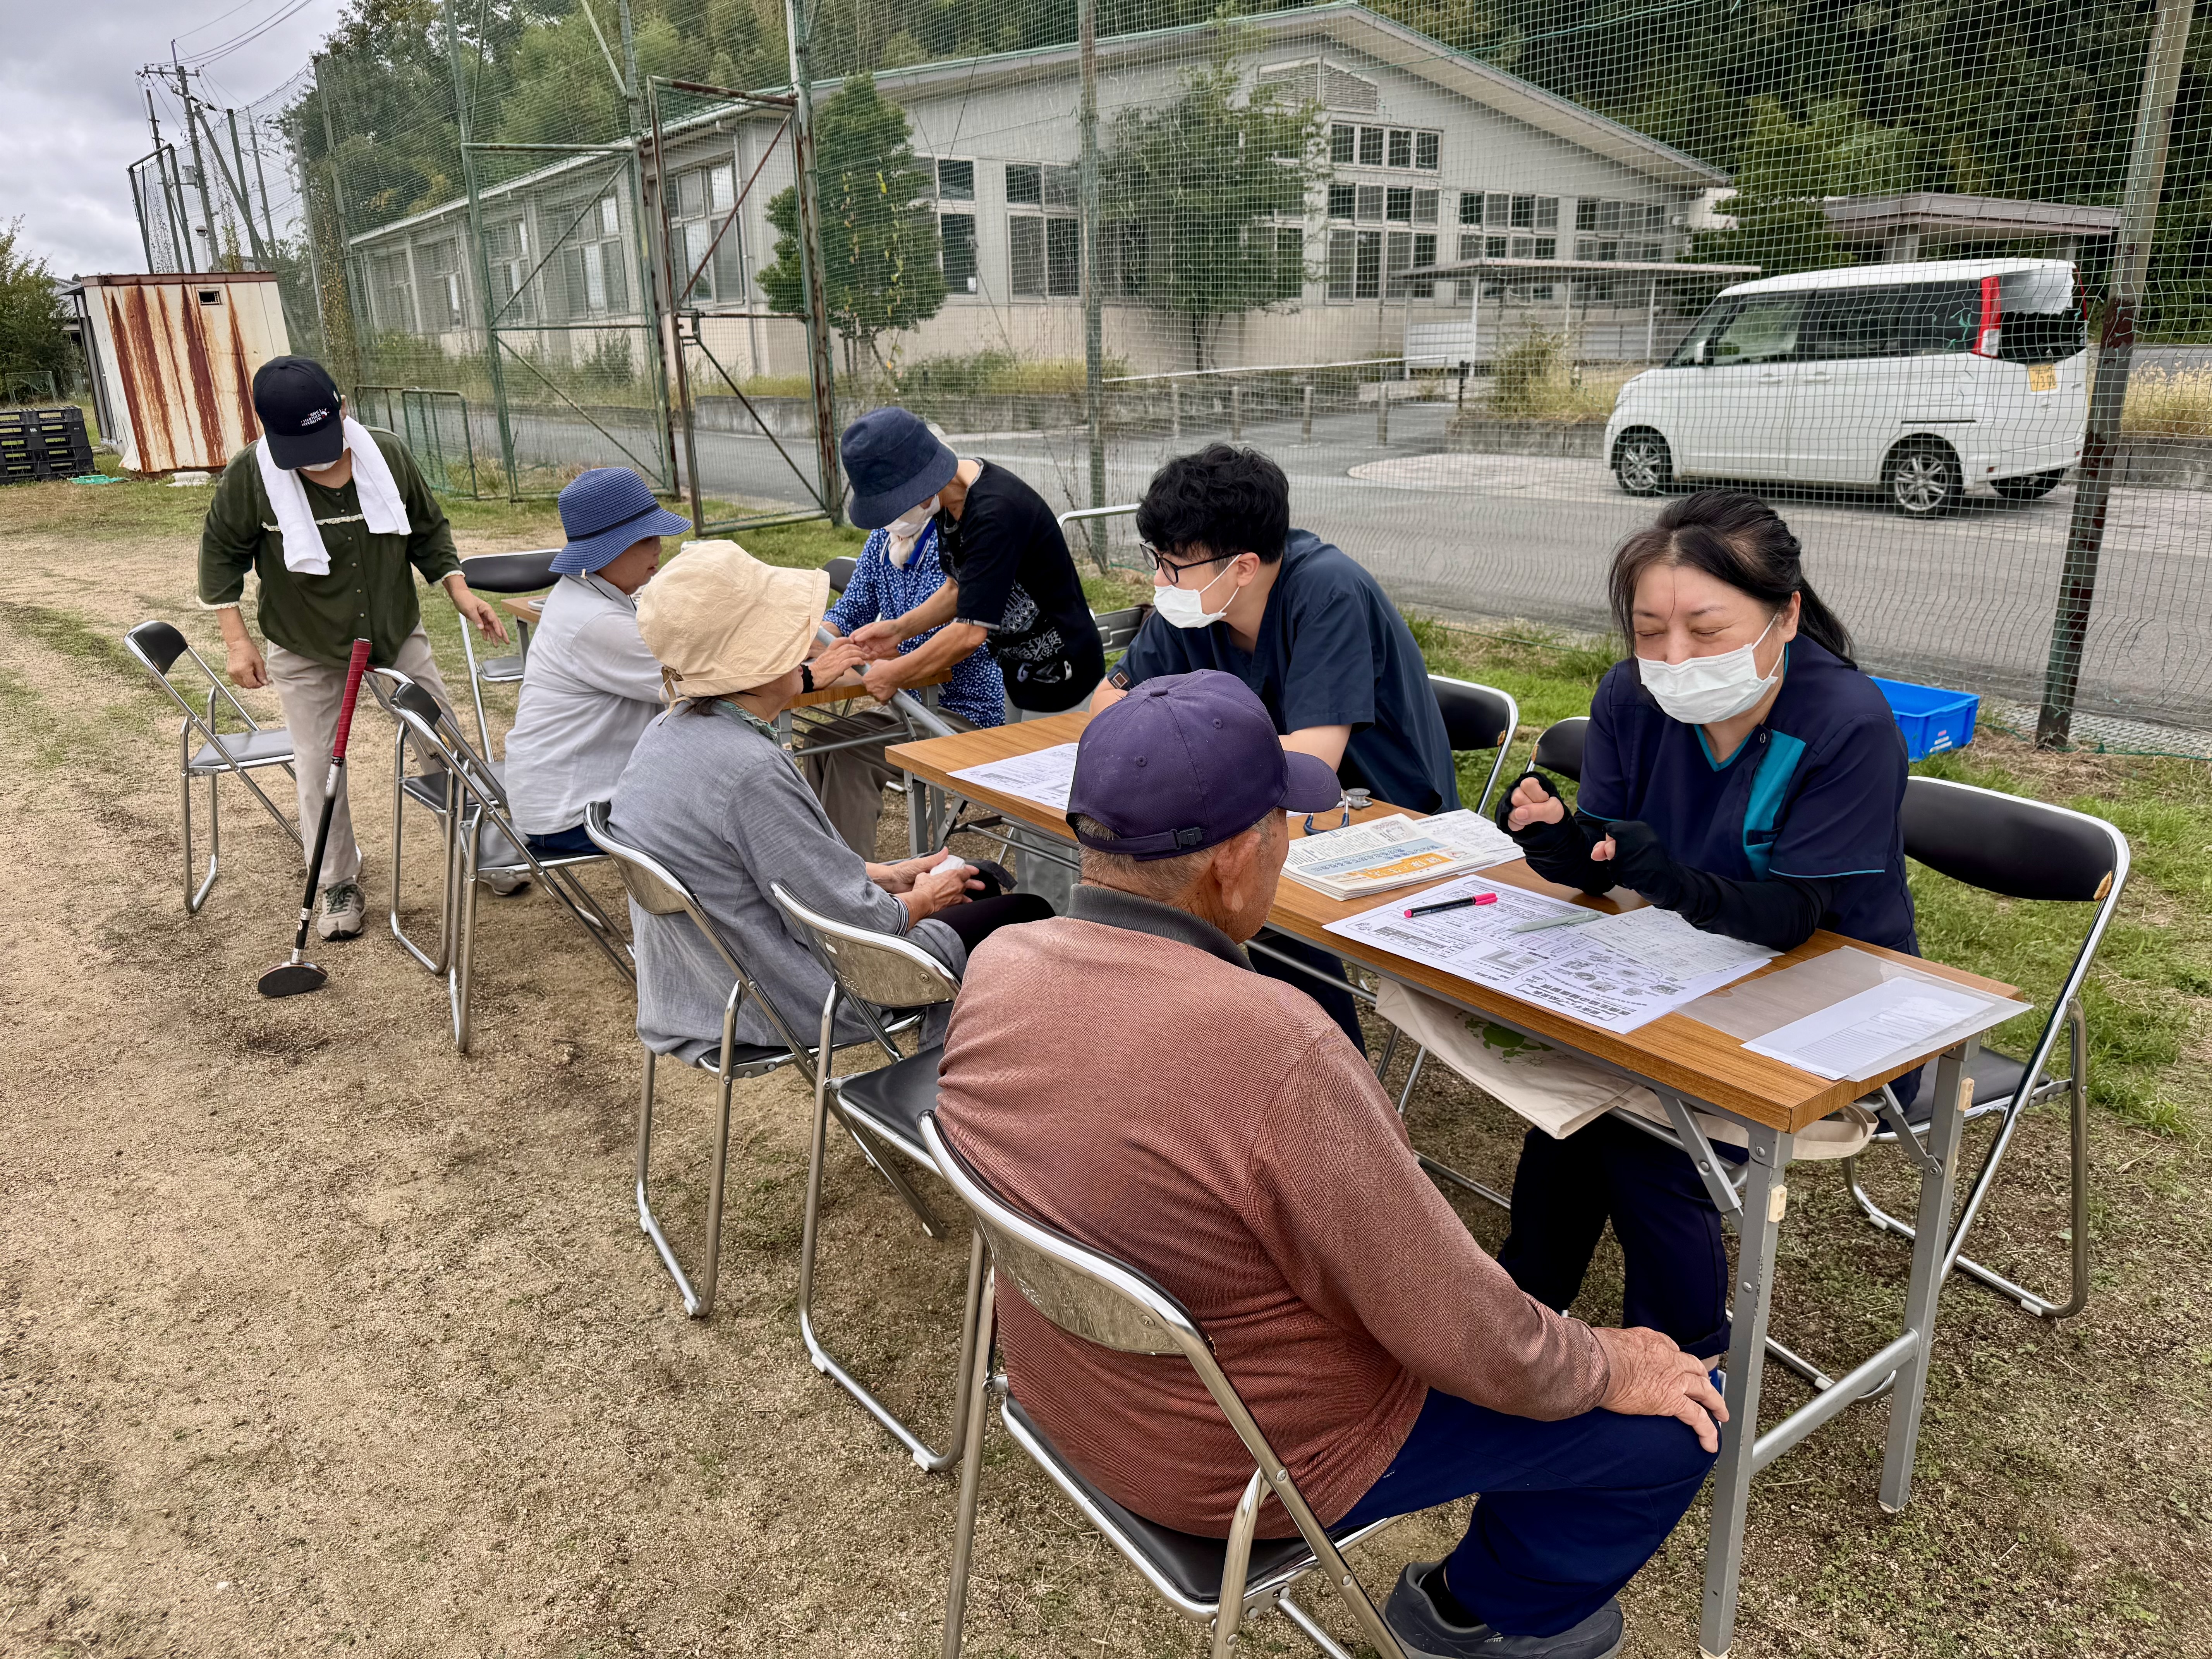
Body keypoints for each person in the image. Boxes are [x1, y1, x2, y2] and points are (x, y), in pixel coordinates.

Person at [933, 669, 1724, 1659]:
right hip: (1251, 1466)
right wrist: (1617, 1360)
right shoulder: (1274, 1043)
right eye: (1285, 827)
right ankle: (1472, 1615)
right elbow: (1465, 1329)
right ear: (1234, 860)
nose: (1292, 845)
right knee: (1672, 1428)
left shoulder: (1004, 960)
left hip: (1071, 1399)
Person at [1492, 488, 1917, 1359]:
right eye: (1651, 631)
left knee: (1632, 1127)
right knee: (1583, 1100)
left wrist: (1653, 870)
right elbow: (1609, 863)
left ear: (1786, 614)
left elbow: (1796, 919)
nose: (1673, 656)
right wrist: (1560, 841)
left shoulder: (1846, 725)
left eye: (1706, 630)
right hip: (1685, 971)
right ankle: (1521, 1323)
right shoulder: (1631, 699)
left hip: (1837, 1005)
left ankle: (1681, 1359)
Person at [608, 541, 1052, 1062]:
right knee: (1023, 908)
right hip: (792, 996)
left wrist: (886, 875)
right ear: (762, 655)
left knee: (972, 878)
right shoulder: (747, 769)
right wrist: (925, 898)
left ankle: (943, 1074)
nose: (807, 640)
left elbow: (778, 872)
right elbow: (867, 927)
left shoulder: (667, 733)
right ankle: (948, 1087)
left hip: (707, 983)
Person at [1092, 442, 1458, 1048]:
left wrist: (1178, 748)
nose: (1160, 581)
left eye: (1174, 566)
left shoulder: (1327, 592)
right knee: (1174, 885)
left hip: (1386, 818)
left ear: (1243, 565)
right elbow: (1108, 707)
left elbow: (1313, 763)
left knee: (1219, 894)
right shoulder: (1194, 607)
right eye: (1155, 560)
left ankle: (1322, 1069)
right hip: (1264, 810)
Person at [199, 354, 511, 940]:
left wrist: (460, 591)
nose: (316, 454)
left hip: (394, 630)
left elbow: (428, 527)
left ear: (342, 409)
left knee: (441, 737)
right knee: (319, 769)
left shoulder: (386, 454)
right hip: (306, 643)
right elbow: (221, 554)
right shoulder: (251, 475)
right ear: (269, 432)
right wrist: (237, 642)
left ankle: (487, 845)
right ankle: (337, 880)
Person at [835, 408, 1106, 910]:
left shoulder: (996, 511)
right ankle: (1038, 916)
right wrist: (898, 629)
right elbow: (962, 591)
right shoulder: (951, 507)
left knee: (1051, 820)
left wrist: (894, 672)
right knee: (1023, 812)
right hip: (1021, 673)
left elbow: (967, 634)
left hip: (1065, 676)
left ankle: (1050, 928)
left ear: (921, 483)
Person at [799, 496, 1005, 858]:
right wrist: (817, 642)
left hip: (967, 712)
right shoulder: (885, 536)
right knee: (820, 739)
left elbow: (938, 641)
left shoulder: (953, 539)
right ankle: (826, 866)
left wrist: (847, 660)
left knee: (852, 757)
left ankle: (851, 890)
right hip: (910, 705)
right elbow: (851, 609)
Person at [503, 468, 689, 860]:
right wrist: (807, 673)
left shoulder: (586, 594)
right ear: (608, 549)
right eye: (646, 538)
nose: (659, 547)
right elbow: (704, 679)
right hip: (572, 814)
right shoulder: (594, 621)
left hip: (557, 795)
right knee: (717, 815)